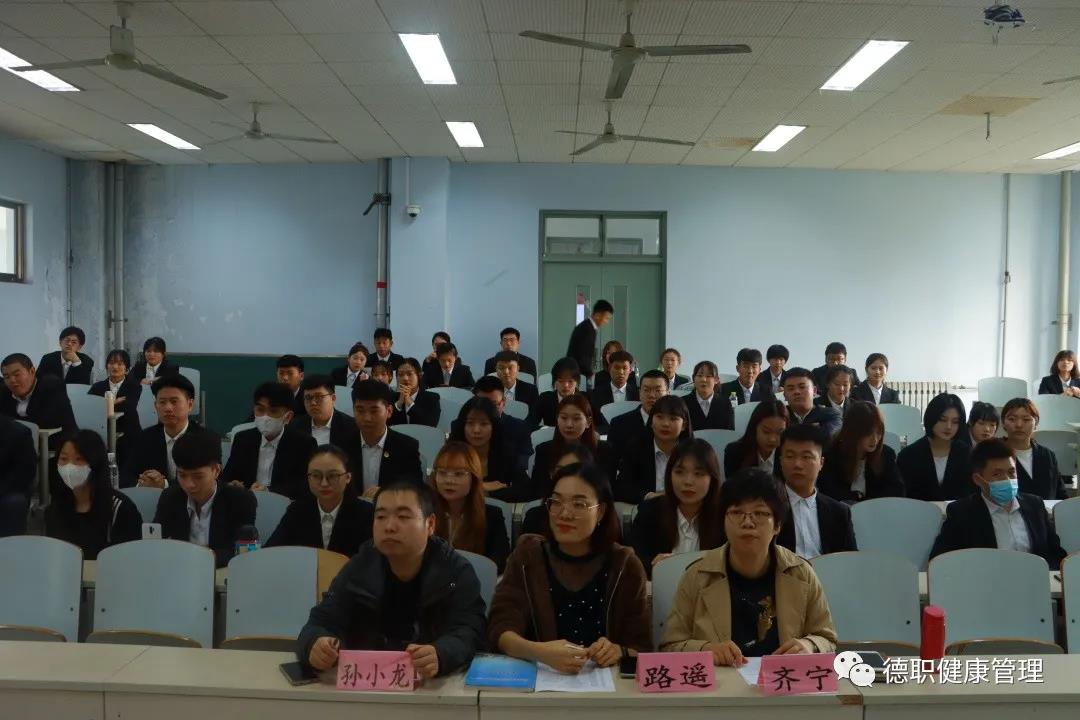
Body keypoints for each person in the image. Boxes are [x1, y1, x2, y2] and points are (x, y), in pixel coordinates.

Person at [298, 480, 486, 677]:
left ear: (430, 524)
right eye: (381, 517)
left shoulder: (455, 570)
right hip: (368, 682)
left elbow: (471, 631)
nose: (389, 526)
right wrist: (315, 643)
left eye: (403, 517)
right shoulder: (360, 566)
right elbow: (320, 621)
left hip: (433, 684)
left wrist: (441, 654)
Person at [660, 468, 838, 664]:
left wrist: (809, 645)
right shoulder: (698, 575)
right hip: (722, 681)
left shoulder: (800, 572)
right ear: (723, 521)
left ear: (777, 525)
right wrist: (705, 650)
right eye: (737, 512)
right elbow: (670, 645)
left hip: (782, 680)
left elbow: (827, 638)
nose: (747, 523)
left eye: (760, 513)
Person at [488, 463, 651, 672]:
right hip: (538, 678)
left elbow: (642, 645)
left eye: (579, 504)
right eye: (556, 502)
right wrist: (539, 652)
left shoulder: (625, 565)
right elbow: (500, 629)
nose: (564, 514)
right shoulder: (528, 555)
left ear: (600, 512)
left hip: (605, 684)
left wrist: (619, 650)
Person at [930, 439, 1066, 569]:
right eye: (997, 474)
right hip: (985, 581)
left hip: (1034, 580)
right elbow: (940, 561)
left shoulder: (1035, 506)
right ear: (978, 479)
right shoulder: (961, 513)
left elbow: (1056, 555)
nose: (1007, 480)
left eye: (1011, 472)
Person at [152, 430, 256, 568]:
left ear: (216, 470)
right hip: (179, 571)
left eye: (198, 476)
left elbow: (243, 552)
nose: (189, 484)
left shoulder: (240, 500)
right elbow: (157, 542)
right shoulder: (170, 497)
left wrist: (208, 556)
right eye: (182, 475)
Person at [630, 439, 725, 576]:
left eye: (698, 474)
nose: (688, 482)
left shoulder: (724, 517)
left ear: (712, 478)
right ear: (670, 475)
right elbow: (633, 561)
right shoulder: (650, 511)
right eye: (680, 472)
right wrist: (653, 566)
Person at [45, 430, 141, 559]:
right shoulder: (54, 509)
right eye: (63, 459)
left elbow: (130, 559)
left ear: (95, 463)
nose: (69, 466)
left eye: (79, 459)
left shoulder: (120, 509)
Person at [265, 445, 374, 557]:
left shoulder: (367, 514)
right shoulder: (297, 511)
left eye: (332, 476)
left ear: (348, 477)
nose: (324, 483)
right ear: (308, 478)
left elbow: (373, 560)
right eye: (316, 476)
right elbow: (270, 551)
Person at [220, 382, 316, 499]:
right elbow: (226, 478)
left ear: (288, 417)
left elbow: (305, 484)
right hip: (246, 502)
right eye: (260, 410)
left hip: (285, 503)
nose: (265, 417)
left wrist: (269, 491)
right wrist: (232, 485)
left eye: (273, 411)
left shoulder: (304, 444)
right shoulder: (243, 439)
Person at [776, 425, 857, 558]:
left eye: (806, 457)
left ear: (821, 463)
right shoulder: (769, 507)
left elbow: (850, 560)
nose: (797, 464)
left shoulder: (839, 513)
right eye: (790, 456)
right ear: (780, 461)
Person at [429, 442, 510, 572]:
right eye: (442, 473)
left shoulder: (492, 516)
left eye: (459, 474)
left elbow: (498, 564)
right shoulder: (424, 513)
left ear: (474, 478)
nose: (449, 481)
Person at [121, 374, 210, 488]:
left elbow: (208, 481)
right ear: (155, 406)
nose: (168, 408)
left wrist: (164, 484)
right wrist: (143, 484)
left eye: (174, 402)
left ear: (190, 405)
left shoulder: (205, 440)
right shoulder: (143, 438)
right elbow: (125, 477)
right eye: (162, 402)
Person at [528, 394, 615, 502]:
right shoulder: (544, 450)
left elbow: (606, 491)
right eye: (563, 418)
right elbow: (537, 491)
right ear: (557, 420)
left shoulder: (604, 450)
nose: (569, 424)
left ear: (588, 422)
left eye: (576, 418)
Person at [346, 380, 424, 496]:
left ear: (389, 411)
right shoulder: (342, 445)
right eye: (360, 410)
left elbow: (415, 488)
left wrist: (387, 493)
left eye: (374, 411)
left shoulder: (406, 447)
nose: (367, 418)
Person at [818, 401, 904, 503]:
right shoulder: (832, 454)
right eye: (868, 433)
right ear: (853, 432)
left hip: (876, 510)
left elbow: (897, 490)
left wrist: (865, 502)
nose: (875, 439)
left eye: (878, 432)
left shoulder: (886, 454)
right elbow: (829, 492)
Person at [614, 395, 692, 504]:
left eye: (673, 418)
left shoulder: (694, 453)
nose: (665, 424)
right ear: (651, 421)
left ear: (684, 425)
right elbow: (621, 487)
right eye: (659, 417)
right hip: (647, 507)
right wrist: (650, 496)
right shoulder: (636, 448)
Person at [897, 393, 976, 501]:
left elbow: (971, 494)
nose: (948, 426)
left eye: (955, 422)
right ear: (931, 418)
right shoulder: (908, 455)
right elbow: (904, 496)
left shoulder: (967, 454)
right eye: (943, 420)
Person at [449, 397, 528, 501]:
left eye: (484, 424)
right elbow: (443, 485)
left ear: (494, 426)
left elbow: (525, 490)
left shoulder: (507, 453)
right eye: (470, 423)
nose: (476, 430)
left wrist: (487, 492)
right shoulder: (451, 453)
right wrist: (481, 486)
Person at [451, 376, 533, 473]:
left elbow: (523, 463)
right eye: (482, 402)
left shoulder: (519, 427)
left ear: (503, 402)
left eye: (493, 404)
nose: (487, 409)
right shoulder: (460, 425)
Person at [0, 353, 78, 447]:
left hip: (58, 446)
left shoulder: (52, 386)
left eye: (17, 374)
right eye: (6, 377)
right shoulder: (4, 391)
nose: (12, 380)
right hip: (19, 445)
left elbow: (46, 422)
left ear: (32, 371)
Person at [520, 443, 595, 536]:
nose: (566, 477)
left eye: (573, 470)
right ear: (551, 474)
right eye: (560, 471)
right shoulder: (535, 516)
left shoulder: (597, 514)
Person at [1001, 397, 1066, 500]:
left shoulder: (1047, 455)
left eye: (1026, 419)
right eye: (1012, 419)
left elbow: (1060, 494)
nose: (1019, 425)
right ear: (1003, 423)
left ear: (1036, 423)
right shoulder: (994, 453)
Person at [89, 349, 143, 456]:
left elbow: (128, 407)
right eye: (111, 363)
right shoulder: (97, 387)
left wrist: (104, 404)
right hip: (102, 431)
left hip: (128, 431)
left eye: (120, 364)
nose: (115, 367)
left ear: (127, 369)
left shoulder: (134, 386)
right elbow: (90, 407)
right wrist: (113, 402)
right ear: (107, 366)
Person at [607, 369, 668, 465]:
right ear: (640, 393)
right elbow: (611, 464)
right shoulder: (619, 424)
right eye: (646, 390)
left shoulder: (675, 424)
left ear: (668, 394)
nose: (652, 395)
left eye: (658, 390)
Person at [723, 400, 788, 479]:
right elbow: (732, 485)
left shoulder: (789, 454)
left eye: (780, 433)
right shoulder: (734, 452)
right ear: (754, 428)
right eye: (766, 432)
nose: (772, 439)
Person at [290, 375, 358, 450]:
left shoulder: (351, 427)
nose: (313, 403)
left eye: (319, 397)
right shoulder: (295, 427)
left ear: (333, 398)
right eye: (308, 398)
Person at [0, 415, 36, 537]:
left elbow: (24, 474)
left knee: (14, 502)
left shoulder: (19, 434)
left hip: (6, 490)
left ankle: (10, 546)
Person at [566, 299, 614, 389]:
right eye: (606, 318)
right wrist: (590, 374)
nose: (606, 322)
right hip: (578, 375)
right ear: (598, 315)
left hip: (576, 373)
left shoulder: (587, 327)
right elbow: (583, 355)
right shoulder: (587, 329)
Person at [590, 349, 639, 433]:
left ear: (630, 370)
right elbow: (594, 422)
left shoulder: (637, 394)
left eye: (625, 368)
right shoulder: (596, 394)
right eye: (617, 368)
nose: (621, 372)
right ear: (609, 368)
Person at [782, 368, 842, 437]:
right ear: (784, 395)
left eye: (802, 387)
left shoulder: (831, 415)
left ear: (814, 391)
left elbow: (827, 437)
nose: (796, 392)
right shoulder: (780, 416)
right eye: (791, 389)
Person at [528, 357, 581, 429]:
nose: (565, 385)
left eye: (570, 381)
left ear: (577, 382)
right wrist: (545, 430)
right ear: (554, 381)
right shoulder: (545, 398)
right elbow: (528, 424)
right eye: (561, 381)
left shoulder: (585, 399)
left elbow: (596, 426)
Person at [388, 358, 441, 427]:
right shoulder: (391, 397)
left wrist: (409, 402)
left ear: (419, 376)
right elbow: (387, 424)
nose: (405, 378)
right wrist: (399, 403)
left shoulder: (432, 398)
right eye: (400, 374)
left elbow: (430, 424)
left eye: (409, 374)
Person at [685, 360, 734, 431]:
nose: (703, 379)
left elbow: (729, 432)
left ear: (716, 380)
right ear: (693, 378)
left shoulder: (725, 403)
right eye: (699, 375)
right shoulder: (683, 403)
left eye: (708, 376)